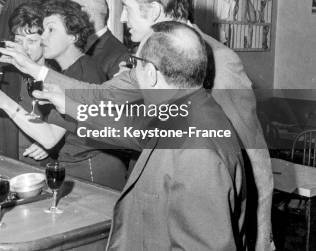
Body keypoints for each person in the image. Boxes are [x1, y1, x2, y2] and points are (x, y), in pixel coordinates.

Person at [0, 0, 272, 250]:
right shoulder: (157, 57)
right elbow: (134, 125)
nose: (121, 17)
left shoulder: (219, 62)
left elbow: (253, 158)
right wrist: (61, 97)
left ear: (153, 10)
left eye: (127, 8)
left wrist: (263, 239)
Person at [41, 21, 247, 249]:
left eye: (134, 64)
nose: (131, 71)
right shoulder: (189, 108)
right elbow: (130, 128)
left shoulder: (198, 152)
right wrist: (67, 105)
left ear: (150, 72)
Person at [0, 0, 127, 189]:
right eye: (43, 31)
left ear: (73, 36)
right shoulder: (69, 71)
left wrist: (3, 101)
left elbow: (49, 138)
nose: (43, 38)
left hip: (91, 171)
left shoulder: (83, 72)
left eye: (50, 30)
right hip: (76, 166)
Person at [0, 3, 50, 162]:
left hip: (40, 166)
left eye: (31, 41)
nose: (23, 48)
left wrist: (54, 144)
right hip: (4, 160)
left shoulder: (56, 75)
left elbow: (76, 125)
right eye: (19, 40)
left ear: (46, 41)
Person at [70, 0, 129, 79]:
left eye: (71, 13)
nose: (66, 19)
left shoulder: (119, 55)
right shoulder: (72, 45)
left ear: (88, 14)